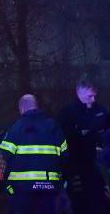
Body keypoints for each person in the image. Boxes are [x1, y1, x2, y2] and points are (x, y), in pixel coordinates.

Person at [0, 94, 67, 214]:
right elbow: (65, 155)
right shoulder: (53, 126)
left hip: (22, 191)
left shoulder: (16, 128)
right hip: (49, 189)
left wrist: (7, 186)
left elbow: (2, 157)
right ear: (37, 106)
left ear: (22, 109)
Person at [58, 79, 110, 213]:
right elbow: (63, 138)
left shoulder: (101, 111)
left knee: (99, 200)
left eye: (94, 96)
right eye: (89, 96)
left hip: (97, 163)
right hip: (76, 166)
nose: (93, 99)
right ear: (79, 93)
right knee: (79, 201)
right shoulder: (68, 113)